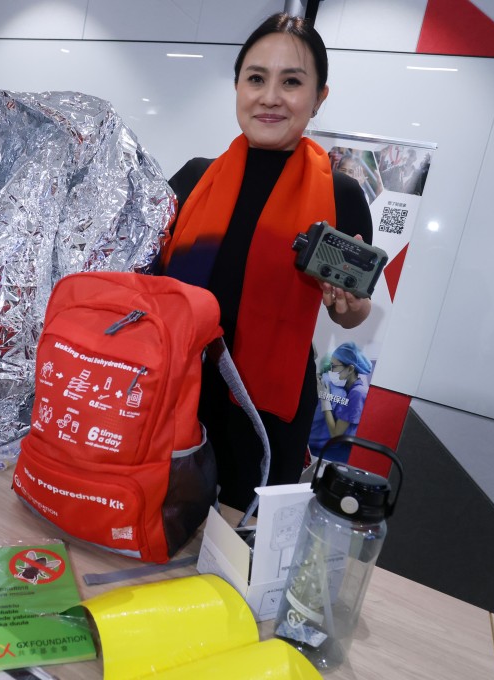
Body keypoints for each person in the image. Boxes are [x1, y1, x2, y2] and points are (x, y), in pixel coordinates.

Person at [159, 12, 374, 510]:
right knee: (162, 526)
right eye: (256, 78)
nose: (270, 96)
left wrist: (346, 303)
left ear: (319, 97)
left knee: (239, 549)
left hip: (268, 412)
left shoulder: (341, 195)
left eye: (292, 82)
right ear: (237, 86)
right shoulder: (193, 179)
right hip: (176, 393)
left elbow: (354, 310)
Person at [319, 342, 373, 453]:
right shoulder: (349, 388)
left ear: (350, 369)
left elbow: (335, 435)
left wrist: (325, 399)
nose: (331, 371)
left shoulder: (357, 393)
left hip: (344, 453)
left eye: (334, 367)